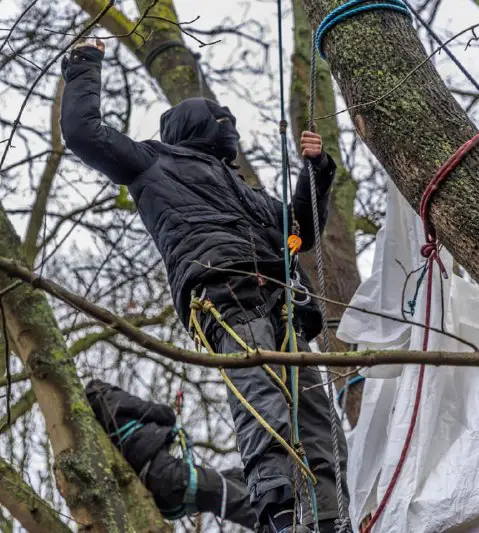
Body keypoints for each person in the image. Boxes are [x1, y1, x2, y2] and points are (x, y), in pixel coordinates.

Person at [61, 38, 348, 533]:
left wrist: (316, 172)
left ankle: (328, 520)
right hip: (227, 299)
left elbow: (299, 227)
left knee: (319, 423)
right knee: (265, 404)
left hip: (280, 304)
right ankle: (281, 514)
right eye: (220, 122)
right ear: (197, 125)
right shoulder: (153, 164)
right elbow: (84, 133)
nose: (228, 129)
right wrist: (85, 63)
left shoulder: (245, 192)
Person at [86, 379, 260, 530]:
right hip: (166, 475)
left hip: (162, 489)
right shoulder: (107, 397)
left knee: (235, 477)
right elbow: (163, 414)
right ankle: (277, 523)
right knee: (228, 493)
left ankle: (271, 490)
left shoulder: (99, 440)